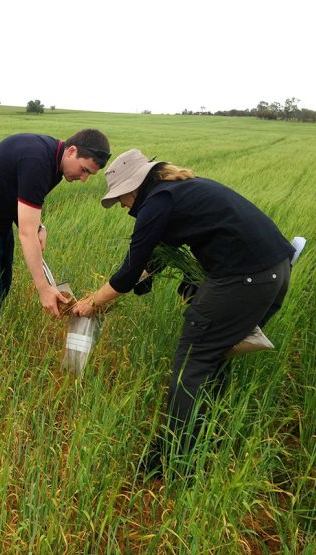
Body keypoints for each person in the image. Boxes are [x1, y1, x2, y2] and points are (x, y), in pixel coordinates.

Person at [71, 148, 295, 477]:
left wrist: (92, 303)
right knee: (213, 356)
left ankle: (176, 460)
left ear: (135, 187)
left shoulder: (157, 202)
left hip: (244, 279)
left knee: (192, 362)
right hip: (275, 271)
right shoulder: (181, 189)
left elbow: (129, 270)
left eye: (121, 197)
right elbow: (159, 254)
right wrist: (143, 278)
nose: (121, 205)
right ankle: (206, 434)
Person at [0, 129, 111, 373]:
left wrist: (40, 226)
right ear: (71, 151)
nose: (83, 178)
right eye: (84, 170)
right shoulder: (37, 160)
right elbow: (25, 233)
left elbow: (24, 204)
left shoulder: (56, 164)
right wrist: (43, 289)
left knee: (1, 288)